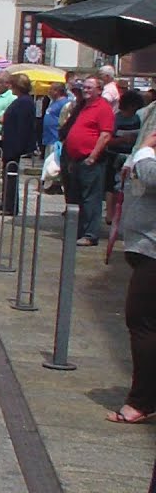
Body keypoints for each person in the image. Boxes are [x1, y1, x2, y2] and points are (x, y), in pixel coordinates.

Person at [109, 129, 156, 424]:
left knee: (142, 322)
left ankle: (141, 400)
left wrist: (145, 150)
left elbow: (151, 176)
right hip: (145, 246)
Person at [62, 77, 115, 247]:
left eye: (89, 87)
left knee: (91, 198)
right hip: (76, 160)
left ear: (99, 90)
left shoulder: (103, 108)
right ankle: (78, 231)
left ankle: (90, 234)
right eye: (84, 87)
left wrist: (92, 156)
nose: (85, 90)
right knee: (76, 197)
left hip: (91, 160)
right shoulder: (83, 106)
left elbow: (105, 135)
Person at [0, 74, 37, 216]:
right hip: (10, 143)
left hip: (14, 145)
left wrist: (17, 148)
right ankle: (6, 203)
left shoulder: (24, 102)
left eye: (11, 84)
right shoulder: (21, 100)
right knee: (8, 175)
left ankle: (10, 207)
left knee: (11, 175)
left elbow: (22, 126)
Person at [106, 90, 145, 225]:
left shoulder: (139, 119)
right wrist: (122, 140)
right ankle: (110, 215)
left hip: (131, 155)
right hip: (114, 155)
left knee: (126, 187)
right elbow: (108, 139)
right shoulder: (116, 119)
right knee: (112, 187)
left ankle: (121, 214)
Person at [42, 82, 69, 150]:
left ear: (58, 91)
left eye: (51, 89)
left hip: (56, 140)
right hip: (49, 139)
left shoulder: (65, 103)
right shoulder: (53, 102)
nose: (49, 91)